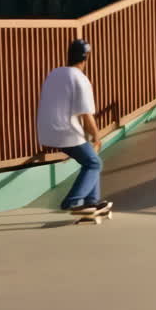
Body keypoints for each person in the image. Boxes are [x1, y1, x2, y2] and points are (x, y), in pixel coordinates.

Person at [37, 39, 110, 214]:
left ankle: (92, 201)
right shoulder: (80, 78)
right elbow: (86, 115)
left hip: (46, 131)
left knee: (91, 160)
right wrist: (97, 138)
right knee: (93, 163)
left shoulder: (55, 73)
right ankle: (73, 202)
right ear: (86, 58)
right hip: (65, 131)